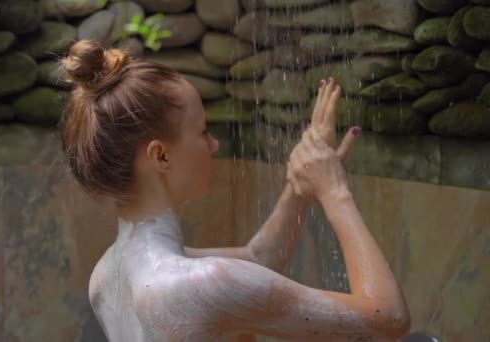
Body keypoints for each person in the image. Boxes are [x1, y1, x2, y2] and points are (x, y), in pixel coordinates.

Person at [59, 40, 411, 341]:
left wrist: (300, 186)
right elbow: (388, 320)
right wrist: (335, 192)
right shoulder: (194, 284)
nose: (213, 145)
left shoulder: (106, 276)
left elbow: (260, 258)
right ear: (161, 155)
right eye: (201, 132)